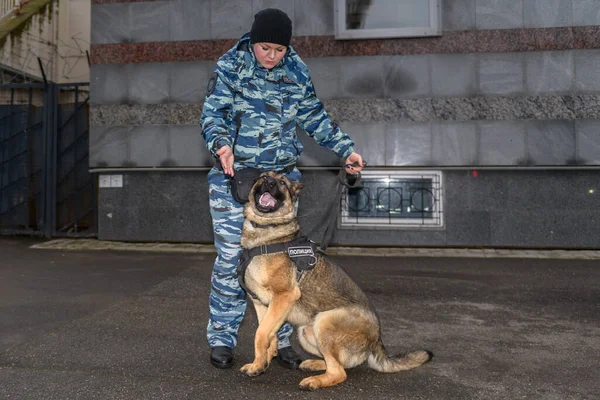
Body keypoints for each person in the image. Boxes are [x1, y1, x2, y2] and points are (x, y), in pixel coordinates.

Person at [200, 8, 364, 370]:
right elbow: (214, 114)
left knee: (288, 268)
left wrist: (345, 149)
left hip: (281, 184)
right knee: (232, 262)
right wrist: (221, 144)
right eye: (265, 48)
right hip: (236, 178)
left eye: (279, 49)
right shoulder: (231, 66)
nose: (272, 56)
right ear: (253, 41)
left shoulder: (296, 70)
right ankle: (223, 339)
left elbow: (314, 116)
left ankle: (282, 341)